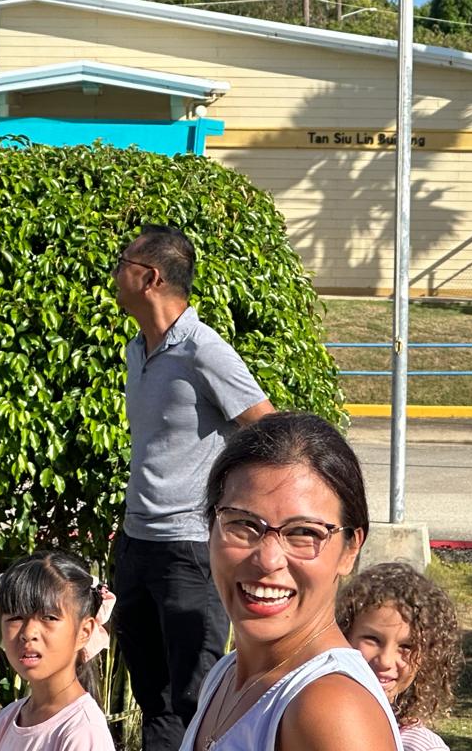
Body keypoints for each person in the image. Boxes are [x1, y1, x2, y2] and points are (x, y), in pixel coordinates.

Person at [112, 225, 273, 751]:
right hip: (135, 543)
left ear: (150, 277)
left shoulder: (205, 351)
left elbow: (268, 428)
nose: (115, 272)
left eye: (124, 261)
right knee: (151, 696)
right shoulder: (139, 350)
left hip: (188, 550)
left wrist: (234, 511)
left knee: (196, 698)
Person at [179, 411, 400, 751]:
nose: (267, 559)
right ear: (210, 528)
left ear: (350, 549)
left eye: (303, 533)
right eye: (242, 524)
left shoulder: (331, 709)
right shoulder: (225, 676)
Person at [0, 550, 117, 751]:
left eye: (49, 617)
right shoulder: (4, 721)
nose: (28, 633)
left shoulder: (83, 731)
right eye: (15, 617)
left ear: (84, 632)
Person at [336, 562, 463, 751]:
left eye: (406, 646)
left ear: (427, 656)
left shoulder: (418, 746)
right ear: (343, 634)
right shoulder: (306, 715)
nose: (385, 660)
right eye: (372, 639)